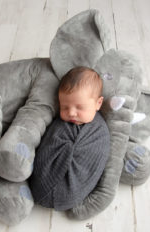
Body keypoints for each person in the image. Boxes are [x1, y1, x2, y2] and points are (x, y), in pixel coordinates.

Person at [29, 66, 111, 211]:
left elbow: (94, 162)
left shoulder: (100, 132)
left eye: (80, 107)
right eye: (65, 107)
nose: (72, 113)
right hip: (44, 187)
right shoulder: (63, 125)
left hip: (67, 194)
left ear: (98, 103)